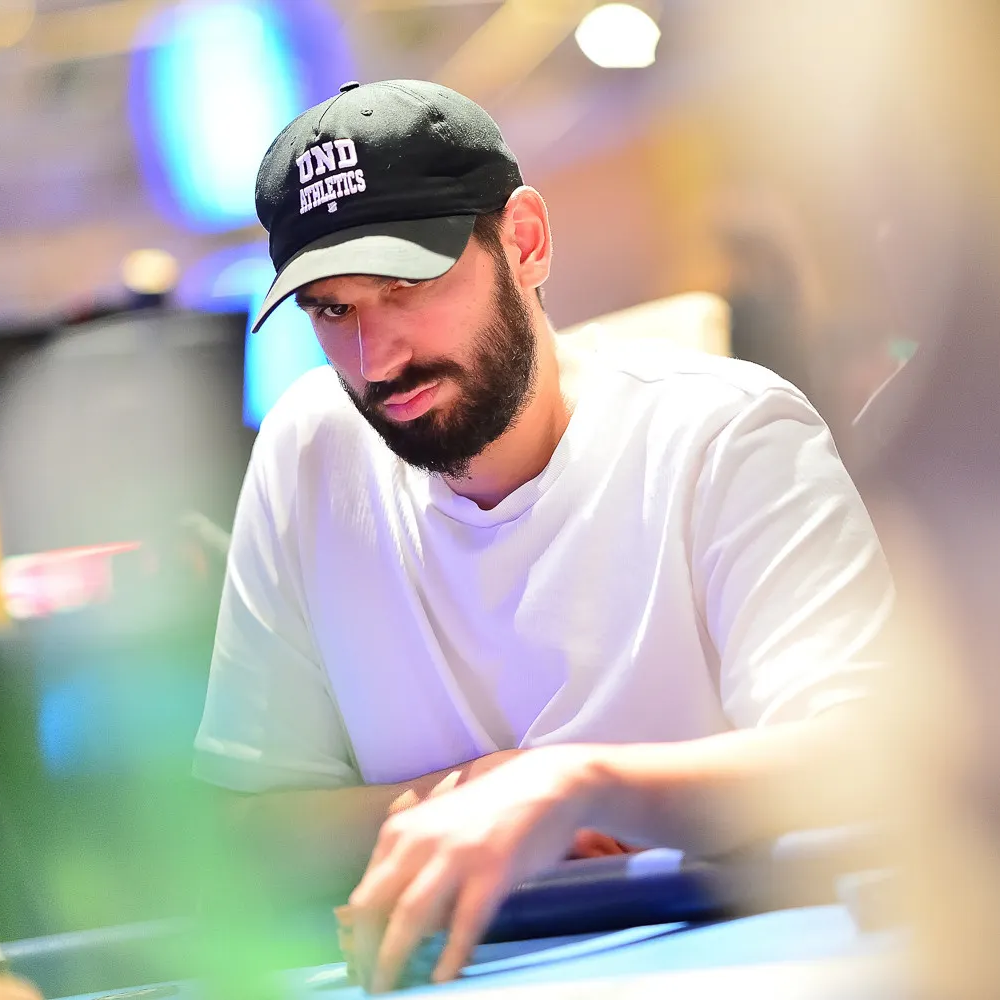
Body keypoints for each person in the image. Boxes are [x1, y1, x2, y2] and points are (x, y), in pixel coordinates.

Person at [193, 79, 893, 992]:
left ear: (524, 242)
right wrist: (488, 791)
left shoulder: (727, 433)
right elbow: (249, 829)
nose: (376, 357)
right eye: (333, 309)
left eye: (409, 283)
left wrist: (572, 787)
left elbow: (862, 759)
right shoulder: (308, 449)